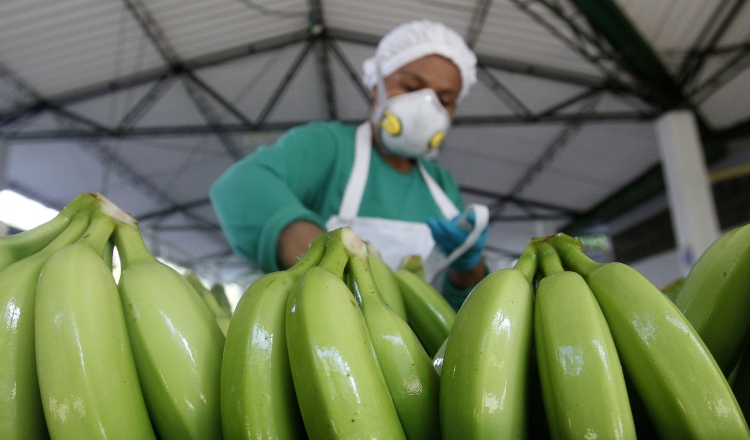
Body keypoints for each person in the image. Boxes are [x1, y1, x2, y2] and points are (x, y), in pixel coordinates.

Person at [210, 19, 489, 310]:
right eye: (410, 86)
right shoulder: (330, 146)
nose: (427, 108)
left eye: (444, 100)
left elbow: (462, 311)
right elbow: (240, 186)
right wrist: (326, 265)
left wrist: (469, 265)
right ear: (376, 87)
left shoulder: (442, 186)